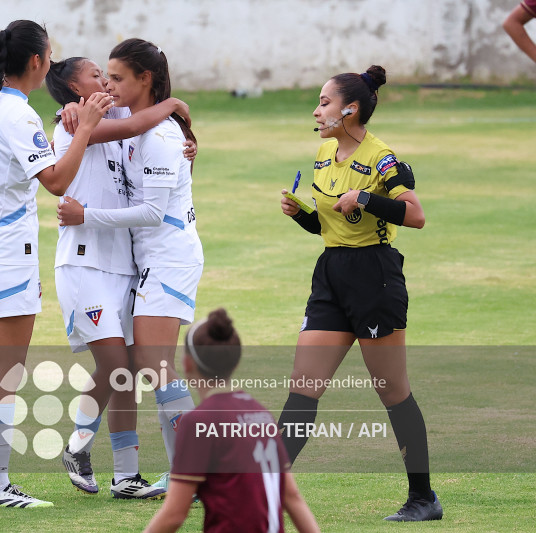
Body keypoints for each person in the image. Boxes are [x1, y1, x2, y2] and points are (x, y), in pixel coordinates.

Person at [0, 20, 111, 509]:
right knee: (6, 373)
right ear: (36, 61)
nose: (52, 60)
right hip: (6, 256)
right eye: (50, 54)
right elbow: (55, 181)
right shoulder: (19, 116)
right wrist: (86, 129)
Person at [277, 65, 441, 522]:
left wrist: (366, 199)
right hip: (331, 275)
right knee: (303, 387)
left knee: (393, 391)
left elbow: (415, 215)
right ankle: (265, 487)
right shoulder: (324, 154)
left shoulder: (382, 157)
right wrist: (302, 215)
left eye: (324, 102)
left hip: (375, 277)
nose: (316, 109)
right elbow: (332, 228)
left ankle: (424, 499)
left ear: (350, 109)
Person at [58, 38, 203, 491]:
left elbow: (156, 213)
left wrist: (86, 215)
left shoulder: (159, 134)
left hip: (166, 259)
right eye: (102, 76)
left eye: (116, 77)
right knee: (137, 366)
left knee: (152, 366)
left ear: (145, 79)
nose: (108, 84)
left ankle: (191, 474)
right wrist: (72, 111)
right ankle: (135, 473)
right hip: (139, 263)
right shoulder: (132, 123)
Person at [143, 308, 321, 533]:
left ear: (187, 365)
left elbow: (175, 513)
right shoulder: (261, 414)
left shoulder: (199, 422)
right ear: (235, 363)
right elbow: (292, 497)